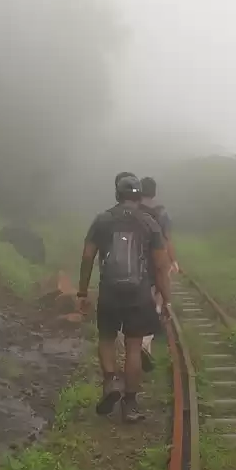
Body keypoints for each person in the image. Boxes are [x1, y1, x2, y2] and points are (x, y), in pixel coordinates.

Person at [77, 172, 171, 423]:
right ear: (139, 197)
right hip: (138, 294)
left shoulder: (103, 220)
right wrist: (166, 298)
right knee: (133, 347)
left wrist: (82, 292)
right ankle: (130, 405)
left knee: (107, 339)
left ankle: (111, 381)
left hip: (109, 292)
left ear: (118, 195)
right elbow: (161, 265)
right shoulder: (149, 223)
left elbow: (87, 257)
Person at [139, 176, 178, 373]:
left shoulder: (130, 210)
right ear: (154, 192)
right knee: (156, 300)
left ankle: (137, 346)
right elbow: (167, 239)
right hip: (156, 263)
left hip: (133, 265)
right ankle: (146, 344)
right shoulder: (162, 213)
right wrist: (173, 260)